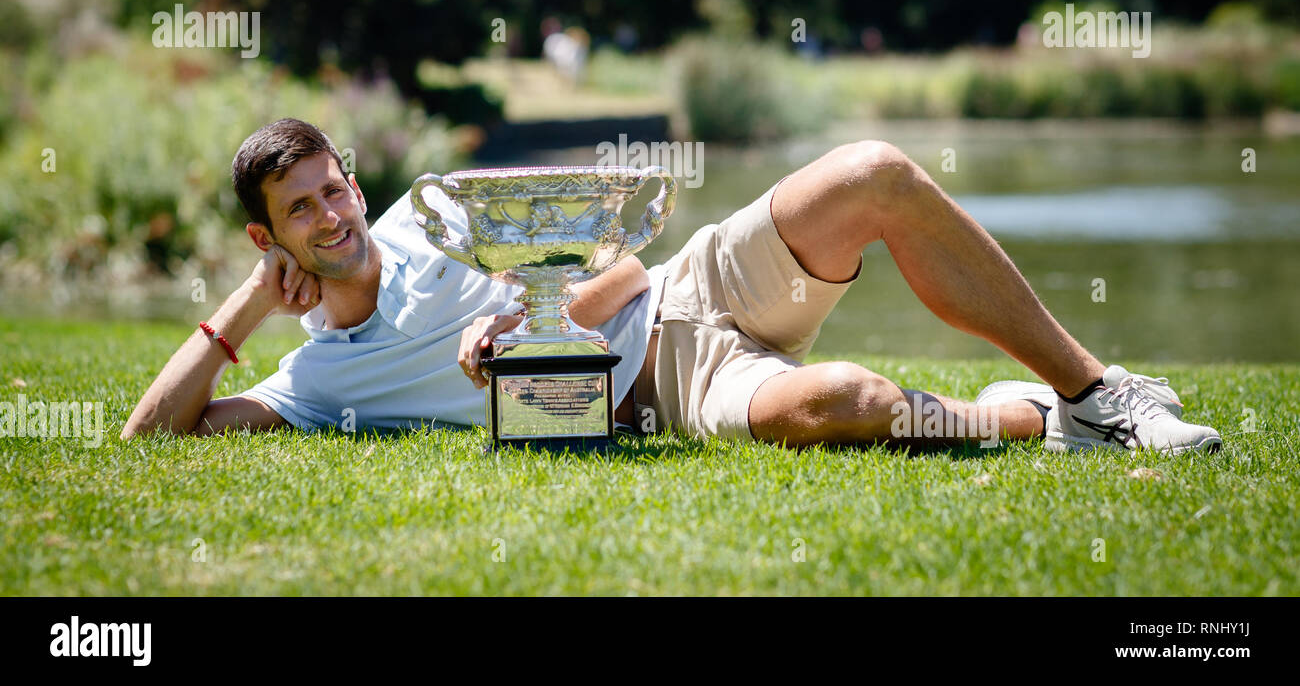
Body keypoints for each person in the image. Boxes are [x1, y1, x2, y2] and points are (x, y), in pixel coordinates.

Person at [122, 118, 1222, 455]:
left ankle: (1099, 391)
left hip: (695, 280)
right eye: (301, 211)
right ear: (272, 236)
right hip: (671, 382)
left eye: (334, 188)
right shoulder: (318, 378)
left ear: (356, 182)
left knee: (874, 171)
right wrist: (248, 308)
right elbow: (149, 437)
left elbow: (632, 257)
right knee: (841, 403)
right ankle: (1033, 422)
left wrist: (535, 317)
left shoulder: (439, 212)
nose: (334, 215)